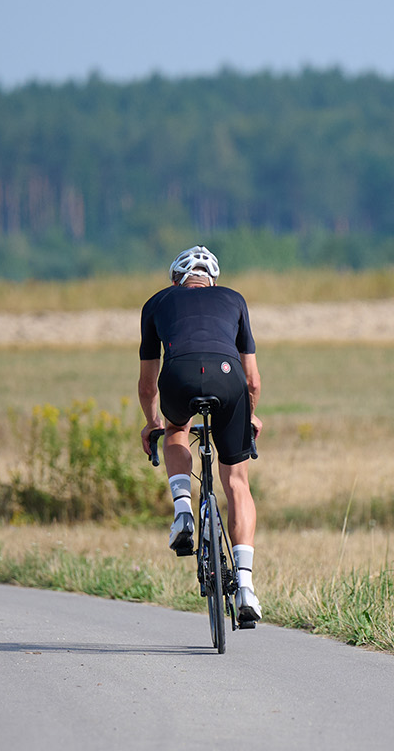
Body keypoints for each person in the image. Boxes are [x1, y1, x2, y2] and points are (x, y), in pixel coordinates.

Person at [138, 245, 263, 623]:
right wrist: (250, 417)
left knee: (177, 429)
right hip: (229, 378)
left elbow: (147, 384)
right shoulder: (234, 299)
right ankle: (245, 586)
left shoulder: (157, 302)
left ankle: (181, 512)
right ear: (212, 281)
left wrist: (152, 421)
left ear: (176, 280)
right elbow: (253, 380)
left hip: (178, 378)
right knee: (237, 482)